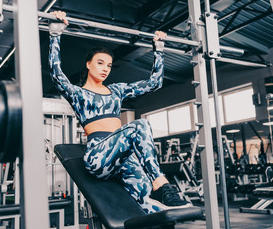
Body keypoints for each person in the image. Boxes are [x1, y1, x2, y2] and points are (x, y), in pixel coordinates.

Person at [49, 11, 191, 214]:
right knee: (138, 126)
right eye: (100, 63)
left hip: (124, 157)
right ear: (88, 64)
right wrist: (55, 35)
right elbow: (56, 75)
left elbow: (155, 83)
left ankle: (160, 207)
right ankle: (163, 185)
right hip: (99, 156)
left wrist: (158, 49)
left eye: (108, 65)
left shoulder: (117, 90)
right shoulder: (78, 94)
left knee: (147, 201)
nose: (105, 69)